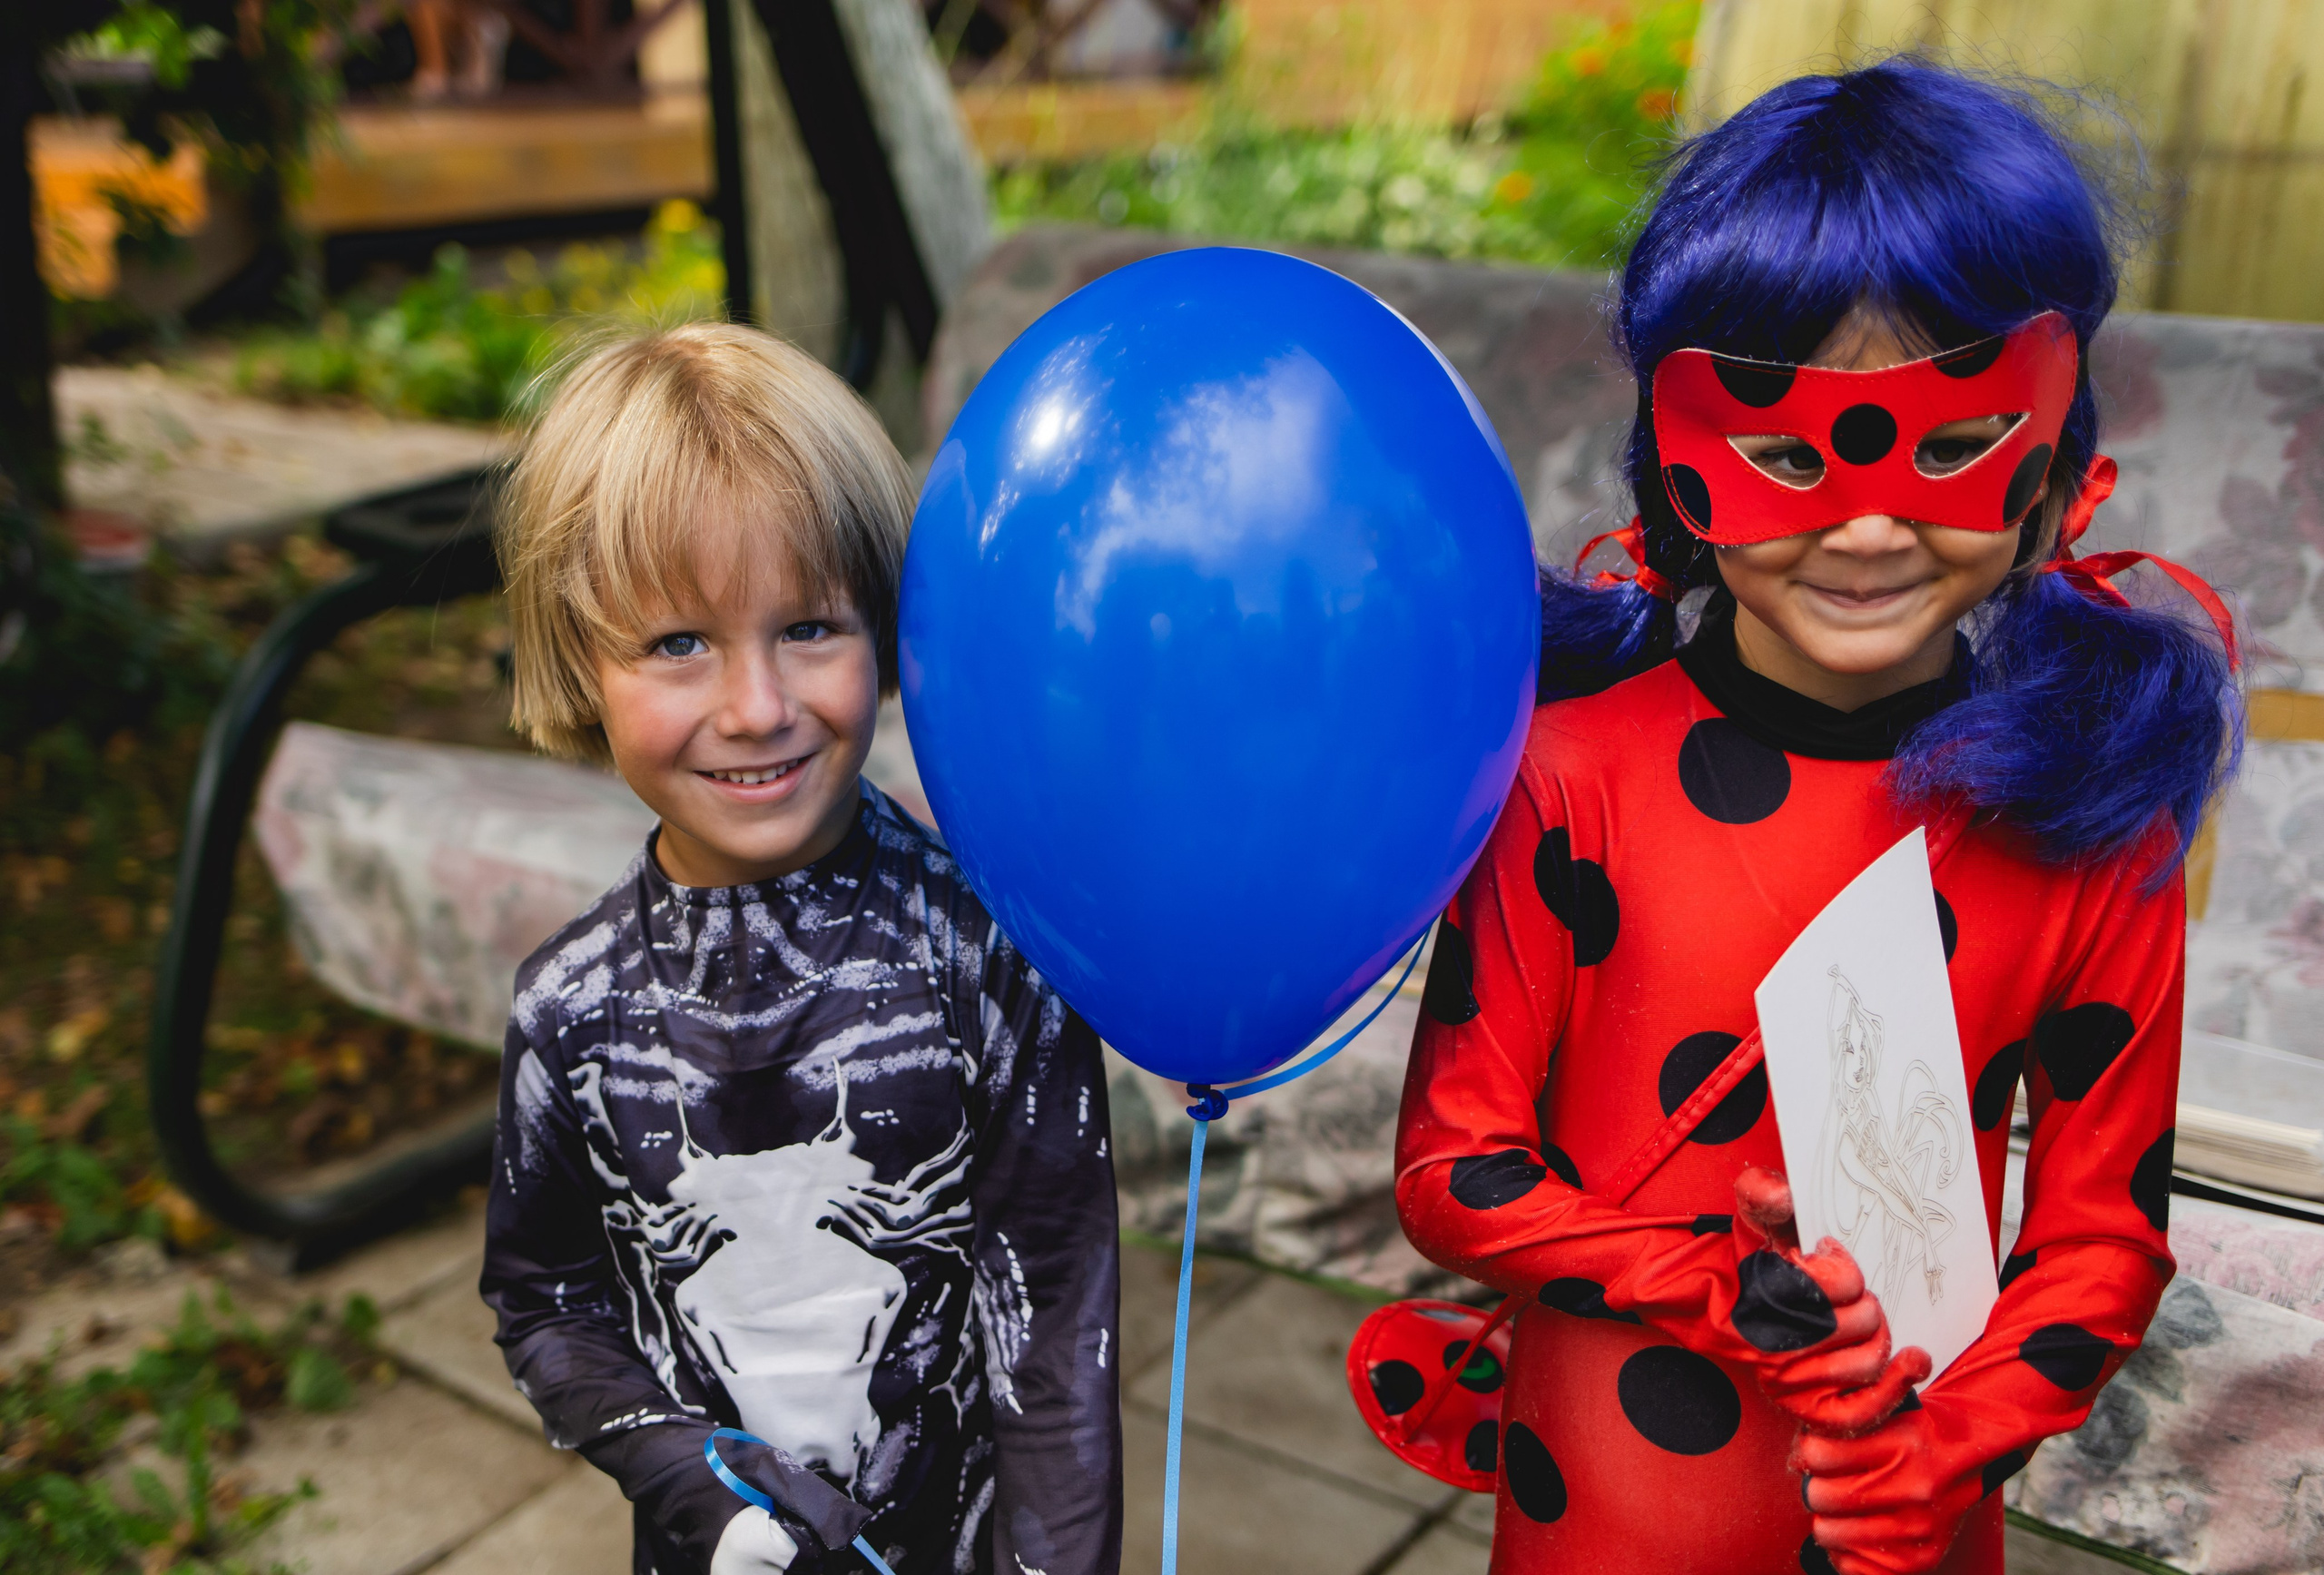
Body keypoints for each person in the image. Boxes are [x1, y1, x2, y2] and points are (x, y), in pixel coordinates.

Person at [1393, 58, 2240, 1575]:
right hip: (1609, 1497)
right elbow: (1459, 1171)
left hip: (1897, 1509)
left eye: (1951, 442)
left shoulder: (2089, 828)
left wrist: (1950, 1446)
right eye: (1786, 456)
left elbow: (2103, 1241)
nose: (1864, 523)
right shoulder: (1567, 778)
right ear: (1679, 468)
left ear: (2055, 471)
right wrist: (1715, 1284)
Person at [478, 322, 1123, 1575]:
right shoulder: (569, 1010)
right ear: (579, 659)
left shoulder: (993, 957)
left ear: (886, 628)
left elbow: (1055, 1324)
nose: (759, 707)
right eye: (678, 643)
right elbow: (548, 1298)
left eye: (811, 626)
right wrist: (693, 1484)